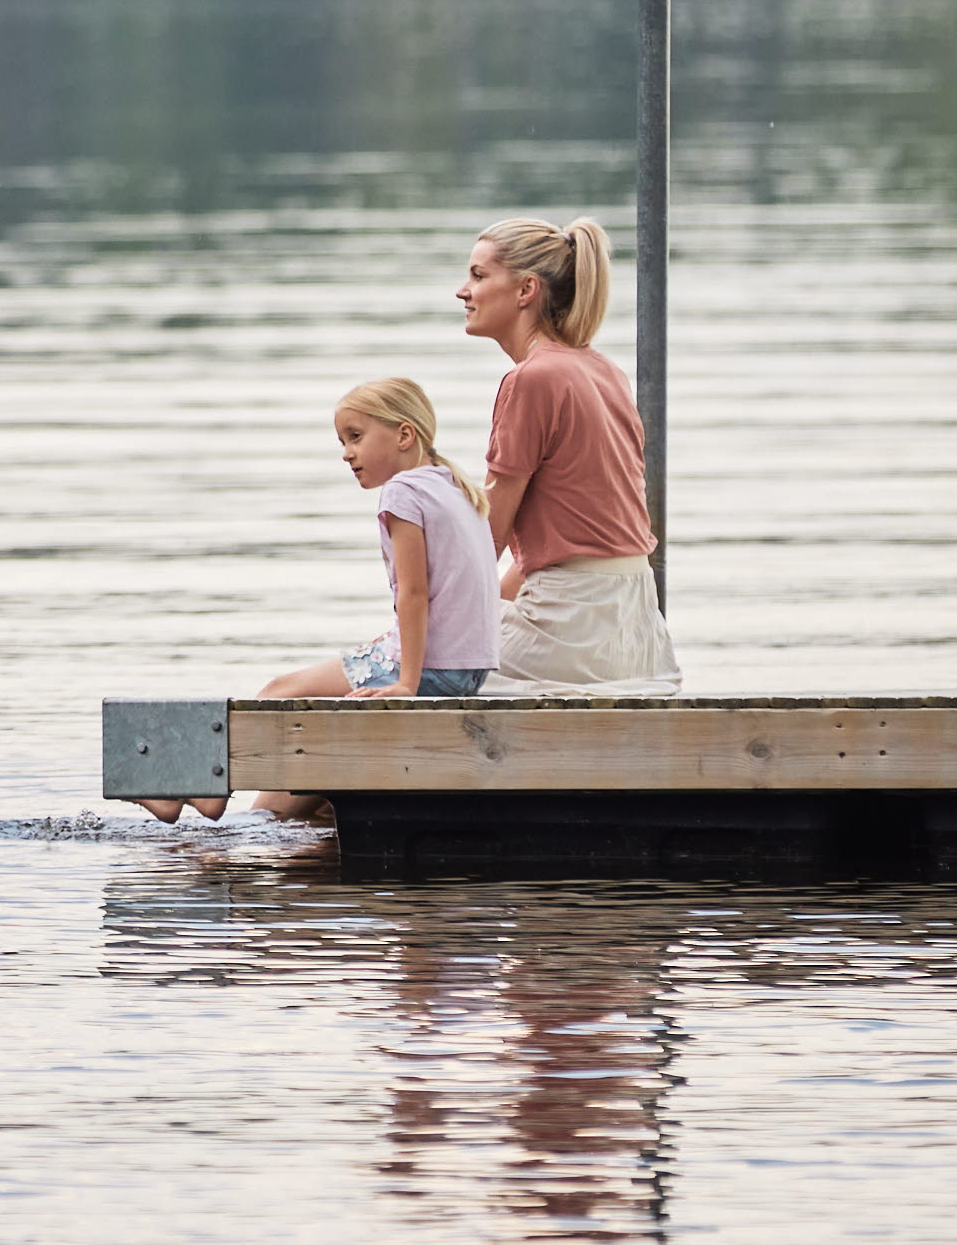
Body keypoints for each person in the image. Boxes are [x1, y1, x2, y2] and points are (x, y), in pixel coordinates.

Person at [137, 377, 499, 824]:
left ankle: (202, 789)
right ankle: (253, 827)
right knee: (308, 752)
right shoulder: (454, 486)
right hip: (468, 670)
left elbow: (415, 593)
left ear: (405, 435)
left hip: (430, 671)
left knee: (279, 693)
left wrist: (405, 685)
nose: (347, 452)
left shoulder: (402, 492)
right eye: (343, 441)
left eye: (356, 437)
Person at [460, 215, 681, 693]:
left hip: (570, 632)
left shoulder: (531, 380)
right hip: (638, 633)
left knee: (328, 680)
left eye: (478, 276)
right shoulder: (603, 371)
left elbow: (489, 538)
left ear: (526, 290)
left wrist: (418, 630)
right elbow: (570, 539)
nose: (463, 291)